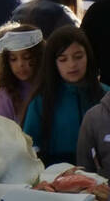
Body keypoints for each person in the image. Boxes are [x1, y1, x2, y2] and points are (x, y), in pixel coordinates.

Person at [21, 25, 104, 167]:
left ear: (88, 57)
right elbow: (28, 145)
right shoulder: (41, 101)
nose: (72, 64)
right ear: (53, 63)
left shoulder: (105, 96)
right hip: (55, 175)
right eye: (63, 59)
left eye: (78, 57)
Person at [0, 22, 44, 121]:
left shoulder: (49, 86)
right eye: (13, 59)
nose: (20, 64)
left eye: (26, 57)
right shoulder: (6, 94)